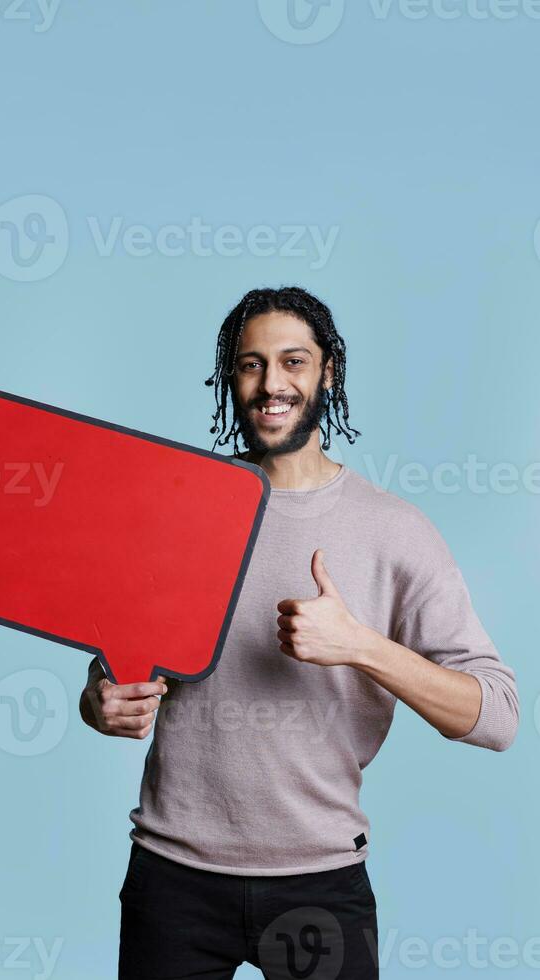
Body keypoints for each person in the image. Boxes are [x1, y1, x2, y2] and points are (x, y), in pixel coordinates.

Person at [79, 286, 519, 980]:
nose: (271, 384)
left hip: (321, 882)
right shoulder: (179, 511)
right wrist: (101, 702)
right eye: (251, 365)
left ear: (328, 372)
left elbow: (497, 716)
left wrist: (359, 645)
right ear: (232, 378)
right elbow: (105, 680)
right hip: (173, 877)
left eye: (293, 361)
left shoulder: (396, 532)